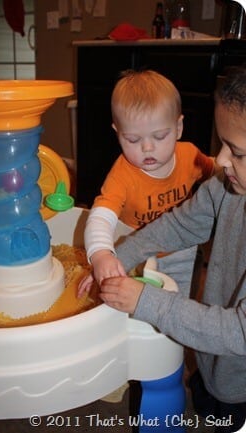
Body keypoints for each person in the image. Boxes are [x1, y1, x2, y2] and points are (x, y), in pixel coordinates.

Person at [99, 65, 246, 432]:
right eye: (222, 143)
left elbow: (238, 333)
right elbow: (181, 223)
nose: (222, 160)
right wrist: (120, 255)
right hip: (214, 364)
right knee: (205, 396)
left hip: (241, 383)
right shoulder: (226, 186)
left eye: (237, 152)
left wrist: (145, 302)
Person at [78, 69, 216, 297]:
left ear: (179, 128)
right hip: (137, 255)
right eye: (133, 139)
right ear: (118, 133)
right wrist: (101, 254)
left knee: (175, 303)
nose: (147, 148)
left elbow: (217, 171)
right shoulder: (122, 175)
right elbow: (100, 217)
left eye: (160, 136)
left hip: (183, 252)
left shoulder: (190, 155)